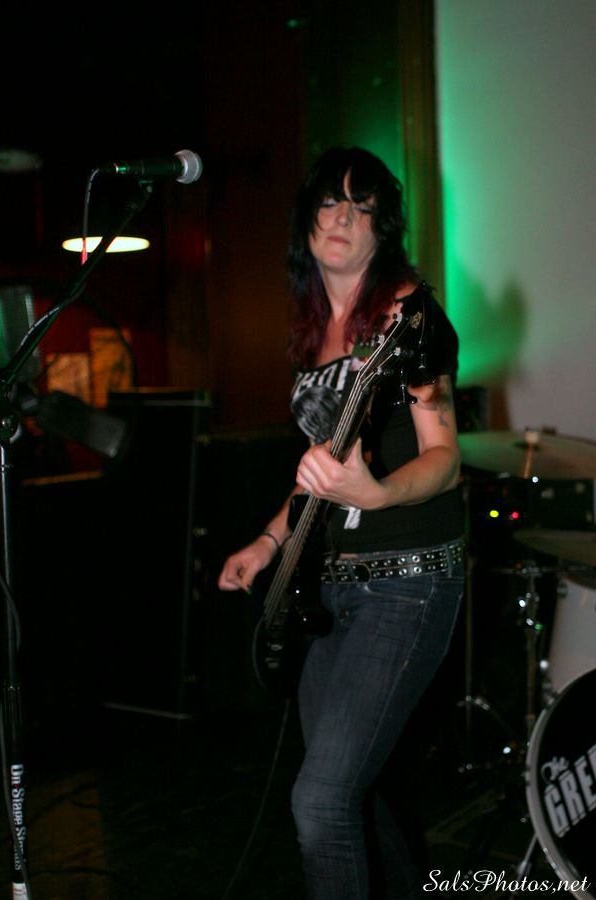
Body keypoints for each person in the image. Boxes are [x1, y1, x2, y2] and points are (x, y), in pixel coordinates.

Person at [218, 146, 465, 899]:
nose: (343, 218)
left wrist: (378, 492)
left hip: (407, 583)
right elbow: (317, 474)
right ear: (308, 219)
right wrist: (268, 542)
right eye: (331, 201)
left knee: (321, 801)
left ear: (380, 232)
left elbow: (446, 458)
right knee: (359, 798)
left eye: (363, 209)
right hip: (326, 589)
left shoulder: (403, 312)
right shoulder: (310, 327)